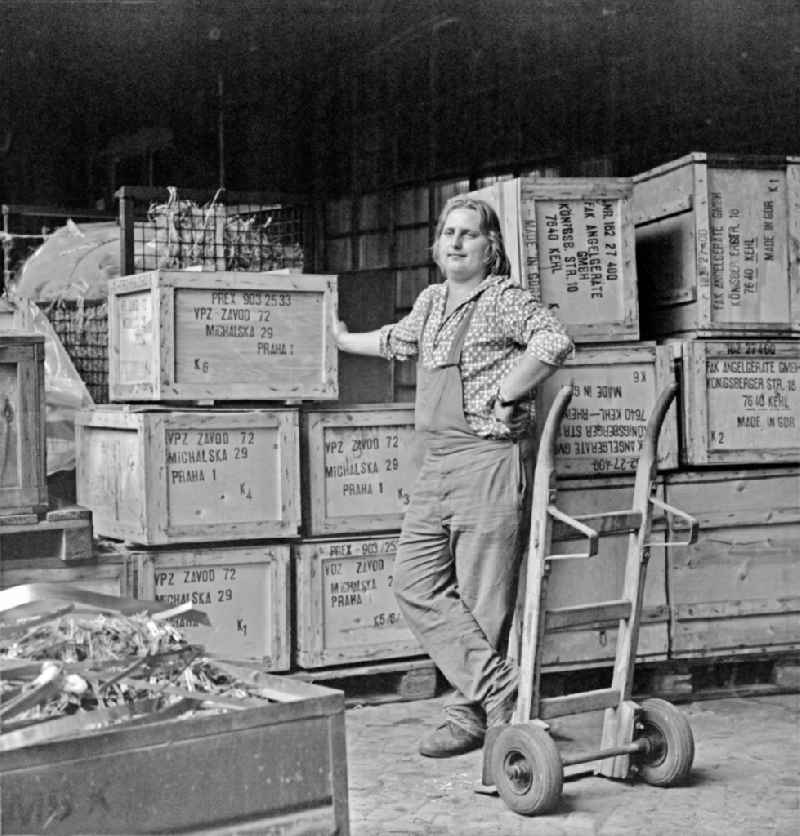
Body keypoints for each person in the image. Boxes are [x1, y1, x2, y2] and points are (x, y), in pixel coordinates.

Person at [332, 195, 573, 757]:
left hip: (488, 461)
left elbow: (553, 341)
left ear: (492, 250)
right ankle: (500, 689)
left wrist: (510, 391)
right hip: (436, 463)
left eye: (469, 234)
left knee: (483, 597)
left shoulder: (504, 300)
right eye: (448, 233)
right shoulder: (433, 300)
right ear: (436, 246)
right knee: (413, 583)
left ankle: (470, 716)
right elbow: (398, 340)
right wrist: (344, 341)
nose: (456, 242)